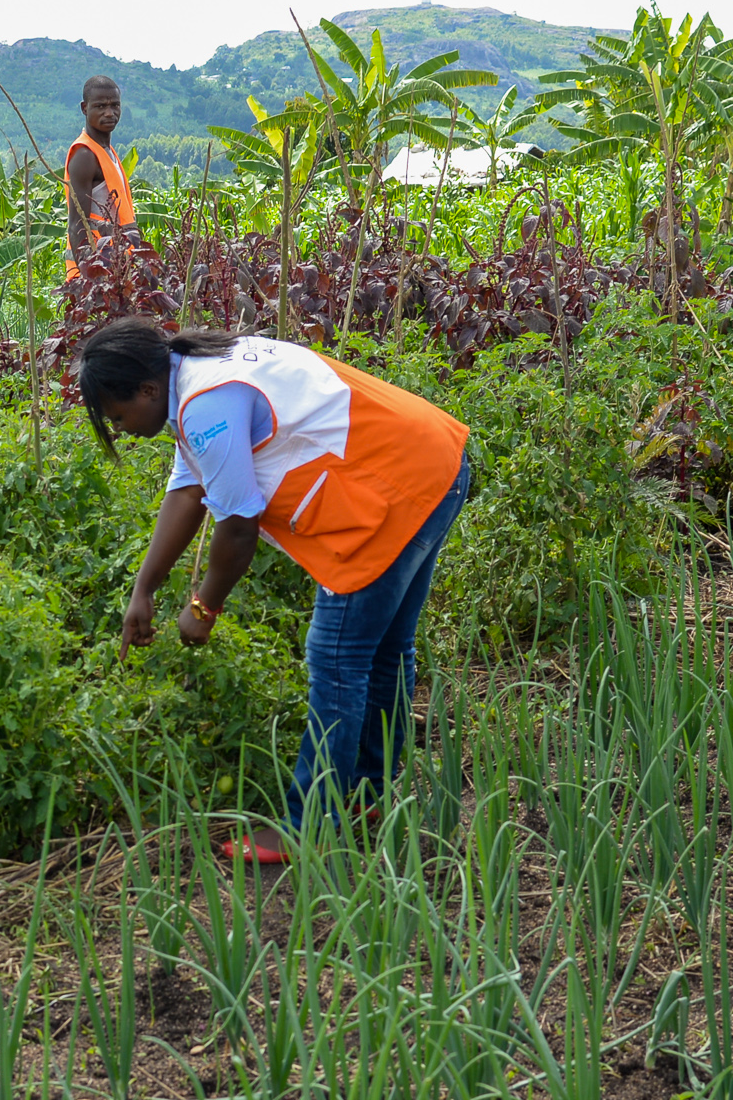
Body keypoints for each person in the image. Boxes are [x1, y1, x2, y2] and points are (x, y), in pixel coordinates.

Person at [83, 317, 471, 862]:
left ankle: (311, 824)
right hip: (431, 461)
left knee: (337, 656)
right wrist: (143, 589)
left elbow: (238, 526)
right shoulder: (196, 375)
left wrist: (203, 607)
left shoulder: (207, 404)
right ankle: (366, 794)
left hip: (394, 490)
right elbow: (189, 488)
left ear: (148, 390)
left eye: (119, 417)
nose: (121, 429)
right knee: (383, 650)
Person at [65, 76, 146, 278]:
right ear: (85, 108)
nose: (109, 113)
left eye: (115, 105)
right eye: (100, 106)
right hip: (99, 274)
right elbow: (77, 225)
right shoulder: (85, 155)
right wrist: (92, 282)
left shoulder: (107, 153)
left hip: (117, 267)